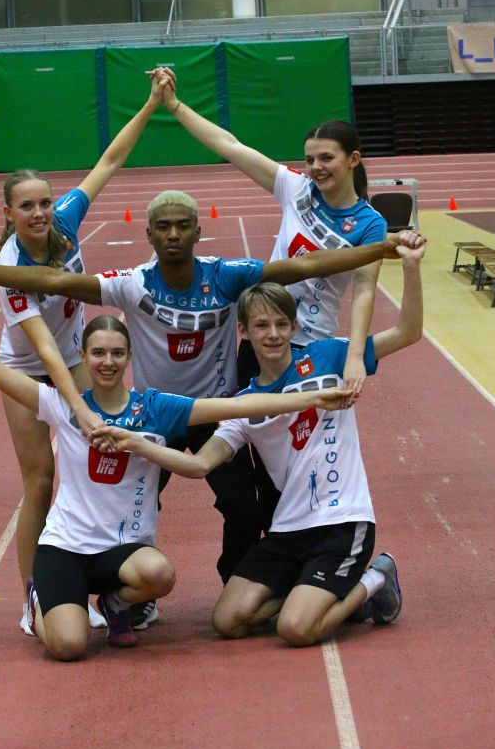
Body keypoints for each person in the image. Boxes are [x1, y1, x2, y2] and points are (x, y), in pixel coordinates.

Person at [0, 189, 423, 592]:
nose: (173, 234)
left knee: (245, 506)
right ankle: (126, 596)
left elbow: (304, 267)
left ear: (197, 232)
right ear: (149, 235)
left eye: (183, 226)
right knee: (124, 499)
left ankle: (238, 580)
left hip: (214, 410)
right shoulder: (132, 284)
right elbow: (52, 280)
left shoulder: (225, 276)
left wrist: (382, 248)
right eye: (163, 227)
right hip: (156, 415)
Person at [0, 262, 356, 660]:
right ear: (82, 357)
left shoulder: (155, 409)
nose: (107, 362)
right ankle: (39, 603)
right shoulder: (62, 406)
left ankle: (115, 603)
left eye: (117, 353)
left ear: (129, 356)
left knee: (160, 574)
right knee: (68, 647)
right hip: (65, 547)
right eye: (98, 353)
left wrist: (311, 397)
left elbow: (236, 406)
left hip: (120, 553)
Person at [91, 242, 426, 647]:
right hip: (288, 530)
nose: (273, 334)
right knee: (227, 620)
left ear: (293, 326)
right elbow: (199, 466)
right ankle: (321, 593)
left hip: (341, 522)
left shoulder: (330, 357)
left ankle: (374, 579)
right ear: (244, 331)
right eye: (262, 326)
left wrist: (411, 268)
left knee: (295, 629)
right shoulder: (244, 405)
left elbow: (408, 332)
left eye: (281, 324)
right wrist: (135, 442)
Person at [0, 74, 168, 636]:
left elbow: (109, 161)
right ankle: (33, 596)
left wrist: (150, 104)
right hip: (30, 363)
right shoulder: (11, 269)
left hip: (75, 353)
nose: (39, 213)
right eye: (26, 206)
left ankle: (116, 577)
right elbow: (43, 348)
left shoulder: (66, 224)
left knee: (116, 454)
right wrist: (77, 406)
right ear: (8, 213)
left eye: (44, 202)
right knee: (41, 478)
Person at [157, 68, 387, 394]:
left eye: (326, 158)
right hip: (261, 335)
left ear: (353, 159)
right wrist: (174, 105)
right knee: (245, 421)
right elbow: (230, 146)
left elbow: (364, 291)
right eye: (310, 159)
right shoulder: (297, 188)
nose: (316, 167)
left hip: (310, 344)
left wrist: (354, 356)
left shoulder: (371, 224)